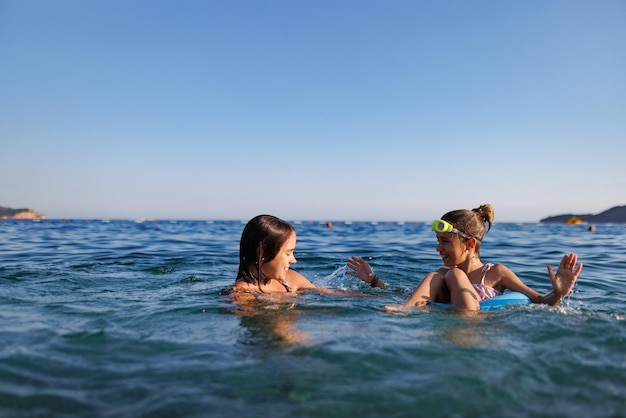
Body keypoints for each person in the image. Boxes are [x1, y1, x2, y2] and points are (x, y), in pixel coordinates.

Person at [347, 204, 583, 311]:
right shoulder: (439, 277)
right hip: (449, 324)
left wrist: (559, 293)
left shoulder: (495, 272)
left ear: (470, 243)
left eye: (445, 242)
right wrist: (374, 280)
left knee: (453, 273)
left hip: (475, 323)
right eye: (438, 241)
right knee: (439, 274)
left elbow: (539, 301)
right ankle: (404, 311)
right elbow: (405, 293)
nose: (438, 249)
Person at [222, 214, 317, 296]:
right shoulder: (241, 295)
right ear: (261, 252)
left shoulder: (292, 279)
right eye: (288, 253)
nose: (293, 260)